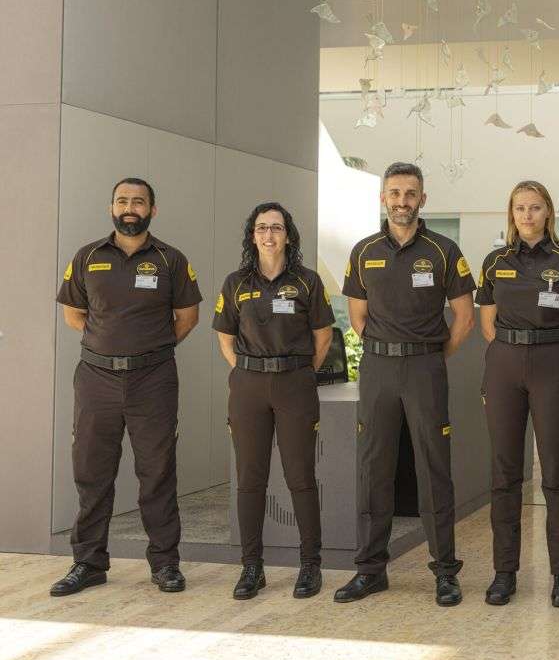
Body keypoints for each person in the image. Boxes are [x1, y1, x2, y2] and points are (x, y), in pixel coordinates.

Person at [51, 178, 201, 596]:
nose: (129, 208)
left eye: (138, 201)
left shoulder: (171, 259)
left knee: (157, 472)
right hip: (96, 379)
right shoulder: (88, 256)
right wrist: (110, 346)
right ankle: (88, 563)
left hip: (153, 380)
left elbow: (187, 318)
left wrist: (147, 350)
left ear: (152, 209)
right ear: (111, 208)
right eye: (122, 201)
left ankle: (165, 564)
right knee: (91, 471)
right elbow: (74, 314)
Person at [335, 163, 476, 606]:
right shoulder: (363, 251)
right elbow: (357, 317)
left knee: (434, 468)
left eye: (410, 193)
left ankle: (445, 571)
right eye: (394, 193)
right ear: (383, 198)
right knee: (373, 467)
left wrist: (429, 356)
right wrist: (388, 351)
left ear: (422, 199)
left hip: (425, 368)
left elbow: (465, 317)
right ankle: (370, 570)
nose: (402, 201)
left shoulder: (444, 250)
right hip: (378, 368)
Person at [476, 180, 559, 608]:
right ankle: (504, 573)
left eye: (535, 207)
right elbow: (487, 322)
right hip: (504, 364)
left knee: (557, 473)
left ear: (548, 212)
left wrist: (556, 352)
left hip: (551, 363)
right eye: (520, 208)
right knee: (504, 473)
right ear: (511, 213)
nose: (527, 215)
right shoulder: (495, 261)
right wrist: (510, 351)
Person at [213, 202, 334, 600]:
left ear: (288, 236)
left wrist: (298, 374)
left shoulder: (307, 282)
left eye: (276, 228)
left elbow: (323, 337)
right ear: (253, 236)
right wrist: (250, 371)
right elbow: (225, 338)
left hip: (294, 383)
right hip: (248, 386)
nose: (269, 235)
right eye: (262, 228)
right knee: (250, 478)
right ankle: (252, 567)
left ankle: (310, 564)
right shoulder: (235, 282)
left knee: (300, 475)